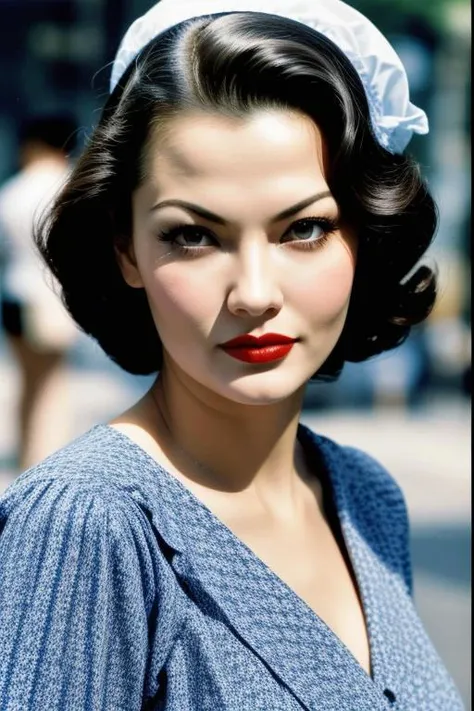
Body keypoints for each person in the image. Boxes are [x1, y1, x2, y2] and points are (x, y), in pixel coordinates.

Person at [0, 1, 464, 709]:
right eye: (193, 235)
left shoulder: (368, 497)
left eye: (304, 228)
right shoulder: (85, 522)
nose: (252, 293)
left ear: (363, 235)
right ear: (126, 247)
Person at [0, 114, 79, 470]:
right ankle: (43, 459)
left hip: (14, 294)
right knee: (50, 383)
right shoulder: (68, 188)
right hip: (49, 298)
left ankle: (26, 456)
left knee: (29, 382)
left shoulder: (12, 189)